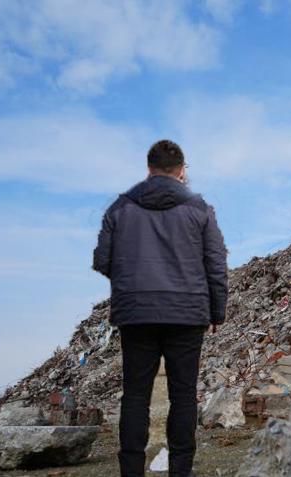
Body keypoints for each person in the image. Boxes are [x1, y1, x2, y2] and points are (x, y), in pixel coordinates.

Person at [93, 139, 228, 477]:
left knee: (135, 396)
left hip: (136, 313)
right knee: (183, 397)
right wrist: (217, 312)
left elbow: (102, 261)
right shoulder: (200, 209)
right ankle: (180, 472)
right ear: (182, 171)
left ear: (149, 169)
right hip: (186, 314)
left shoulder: (119, 209)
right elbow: (216, 265)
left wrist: (135, 281)